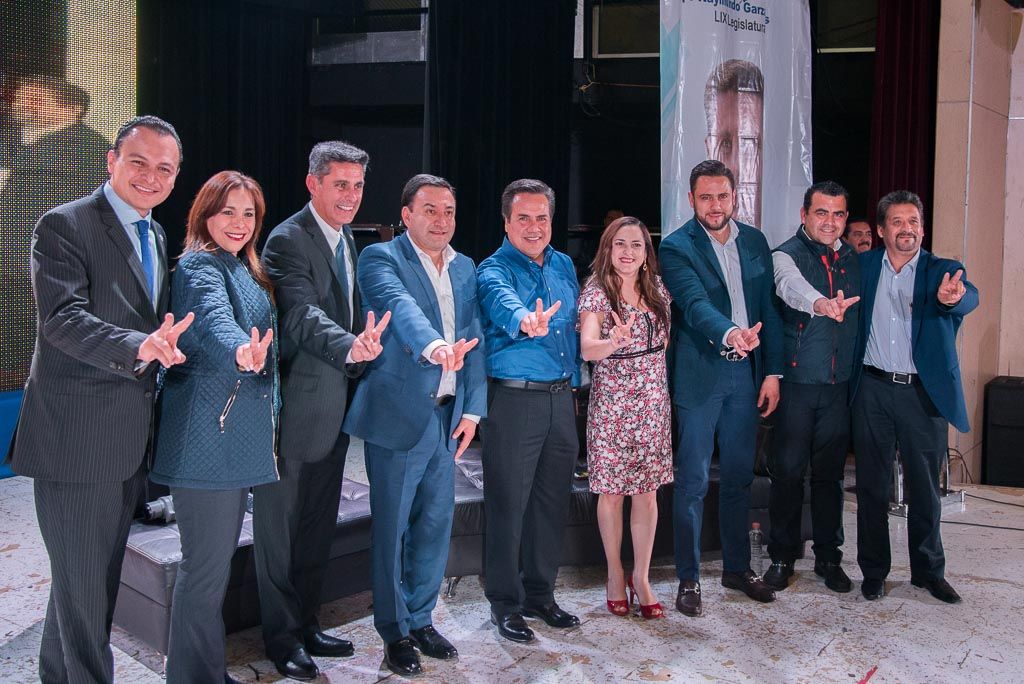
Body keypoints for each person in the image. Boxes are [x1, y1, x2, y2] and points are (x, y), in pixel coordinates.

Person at [5, 115, 192, 683]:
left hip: (127, 442)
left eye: (165, 168)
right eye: (139, 162)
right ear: (111, 162)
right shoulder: (64, 225)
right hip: (77, 442)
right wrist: (140, 346)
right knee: (86, 593)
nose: (151, 176)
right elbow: (62, 320)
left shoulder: (155, 233)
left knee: (82, 586)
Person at [254, 141, 387, 680]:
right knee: (279, 533)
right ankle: (281, 639)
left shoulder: (346, 237)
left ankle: (306, 624)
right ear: (313, 183)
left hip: (336, 409)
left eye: (358, 186)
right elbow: (300, 316)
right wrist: (351, 346)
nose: (351, 196)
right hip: (295, 411)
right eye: (340, 185)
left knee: (315, 528)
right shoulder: (287, 239)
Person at [343, 174, 486, 676]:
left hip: (447, 416)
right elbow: (399, 308)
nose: (441, 220)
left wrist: (473, 410)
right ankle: (394, 630)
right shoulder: (380, 258)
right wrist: (435, 347)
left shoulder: (465, 266)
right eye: (430, 210)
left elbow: (474, 337)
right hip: (400, 415)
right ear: (406, 215)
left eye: (449, 211)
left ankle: (422, 619)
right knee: (393, 529)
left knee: (435, 524)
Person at [149, 171, 277, 684]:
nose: (239, 223)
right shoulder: (200, 265)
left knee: (211, 571)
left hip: (230, 437)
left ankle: (204, 673)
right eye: (228, 211)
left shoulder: (241, 266)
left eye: (248, 214)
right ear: (204, 214)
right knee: (203, 573)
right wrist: (242, 351)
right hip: (206, 440)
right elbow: (215, 319)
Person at [658, 159, 783, 617]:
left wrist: (772, 372)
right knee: (692, 481)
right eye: (706, 197)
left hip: (745, 376)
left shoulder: (755, 241)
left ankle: (736, 569)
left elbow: (768, 307)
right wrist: (731, 333)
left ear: (735, 197)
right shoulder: (675, 247)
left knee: (738, 478)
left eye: (723, 196)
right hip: (701, 374)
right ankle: (688, 578)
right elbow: (693, 304)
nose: (715, 205)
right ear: (691, 199)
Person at [851, 190, 978, 604]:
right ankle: (873, 572)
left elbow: (968, 295)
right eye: (898, 222)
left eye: (914, 222)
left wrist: (953, 298)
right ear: (881, 229)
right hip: (871, 389)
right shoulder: (862, 265)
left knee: (925, 489)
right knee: (871, 486)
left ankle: (928, 572)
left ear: (922, 228)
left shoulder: (943, 271)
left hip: (922, 394)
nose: (907, 229)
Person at [478, 178, 581, 643]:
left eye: (542, 217)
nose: (534, 226)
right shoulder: (492, 269)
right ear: (506, 222)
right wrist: (526, 319)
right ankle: (505, 603)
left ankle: (541, 594)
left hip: (561, 398)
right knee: (508, 505)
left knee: (550, 503)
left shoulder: (563, 265)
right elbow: (504, 304)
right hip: (514, 401)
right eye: (524, 218)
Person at [763, 181, 861, 594]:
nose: (830, 222)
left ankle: (828, 557)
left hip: (838, 387)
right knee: (787, 474)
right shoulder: (785, 254)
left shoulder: (852, 258)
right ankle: (782, 556)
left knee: (830, 477)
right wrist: (821, 303)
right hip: (798, 386)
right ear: (804, 215)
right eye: (822, 213)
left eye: (838, 214)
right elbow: (790, 287)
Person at [578, 216, 673, 619]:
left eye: (636, 244)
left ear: (646, 253)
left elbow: (663, 346)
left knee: (647, 494)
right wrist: (613, 342)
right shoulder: (597, 292)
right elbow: (587, 349)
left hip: (652, 407)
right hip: (613, 408)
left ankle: (642, 577)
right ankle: (615, 573)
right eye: (620, 244)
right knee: (612, 494)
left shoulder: (657, 290)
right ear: (608, 249)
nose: (628, 252)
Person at [0, 74, 110, 390]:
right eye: (22, 96)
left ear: (72, 109)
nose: (25, 102)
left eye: (37, 97)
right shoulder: (11, 142)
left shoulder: (90, 150)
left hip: (42, 276)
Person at [704, 60, 764, 228]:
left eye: (750, 145)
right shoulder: (682, 242)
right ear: (709, 150)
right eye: (725, 144)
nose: (736, 167)